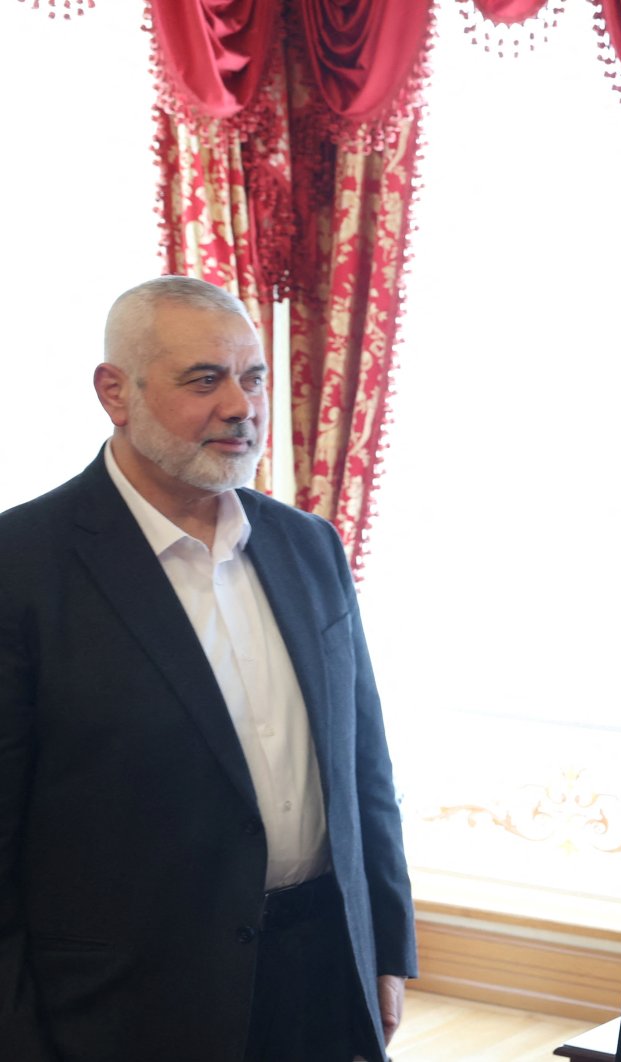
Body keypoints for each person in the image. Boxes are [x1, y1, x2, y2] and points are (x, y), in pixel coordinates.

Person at [0, 277, 415, 1062]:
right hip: (128, 1009)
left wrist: (385, 950)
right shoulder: (21, 567)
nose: (241, 406)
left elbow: (364, 765)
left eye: (253, 377)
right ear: (115, 392)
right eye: (205, 379)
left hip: (324, 975)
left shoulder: (308, 545)